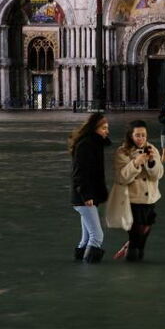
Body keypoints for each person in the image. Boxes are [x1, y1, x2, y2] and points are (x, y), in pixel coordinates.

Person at [112, 120, 163, 262]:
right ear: (130, 136)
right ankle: (130, 262)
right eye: (137, 135)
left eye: (143, 135)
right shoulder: (122, 152)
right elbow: (121, 177)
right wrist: (135, 163)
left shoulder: (153, 149)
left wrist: (151, 162)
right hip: (132, 201)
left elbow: (158, 175)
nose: (141, 139)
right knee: (135, 241)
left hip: (150, 199)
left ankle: (133, 254)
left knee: (142, 243)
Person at [68, 112, 111, 263]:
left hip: (85, 196)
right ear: (94, 128)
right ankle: (89, 265)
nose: (107, 131)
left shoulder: (93, 144)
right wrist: (87, 196)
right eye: (104, 128)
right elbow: (80, 174)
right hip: (84, 198)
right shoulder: (85, 145)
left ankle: (80, 262)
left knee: (86, 237)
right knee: (97, 236)